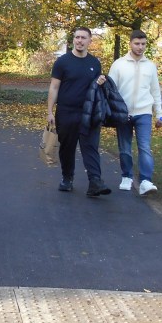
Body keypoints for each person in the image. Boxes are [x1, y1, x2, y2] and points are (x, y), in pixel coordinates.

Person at [47, 27, 111, 197]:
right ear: (73, 40)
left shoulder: (94, 63)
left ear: (90, 41)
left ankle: (95, 181)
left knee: (90, 146)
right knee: (67, 147)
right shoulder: (62, 62)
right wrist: (50, 111)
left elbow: (96, 88)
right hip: (66, 112)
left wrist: (100, 81)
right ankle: (67, 178)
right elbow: (54, 87)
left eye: (83, 38)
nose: (80, 41)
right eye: (77, 37)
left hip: (89, 113)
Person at [108, 30, 162, 196]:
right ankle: (126, 176)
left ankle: (146, 181)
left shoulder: (150, 66)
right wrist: (112, 112)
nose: (140, 47)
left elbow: (155, 92)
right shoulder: (118, 64)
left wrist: (159, 114)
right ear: (130, 43)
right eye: (137, 43)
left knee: (145, 147)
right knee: (125, 148)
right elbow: (111, 91)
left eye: (143, 44)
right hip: (123, 113)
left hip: (144, 112)